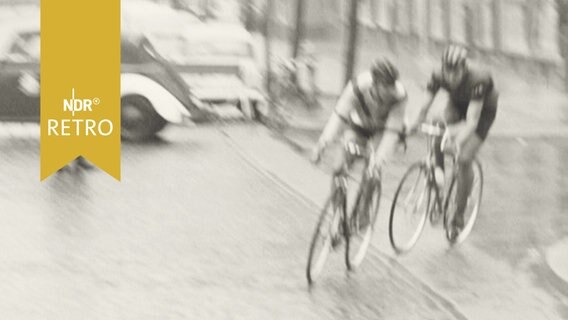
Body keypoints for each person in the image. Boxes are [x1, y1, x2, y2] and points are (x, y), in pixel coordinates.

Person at [408, 45, 498, 239]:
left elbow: (472, 122)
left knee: (464, 158)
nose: (451, 77)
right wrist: (410, 128)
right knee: (436, 126)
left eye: (455, 73)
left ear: (463, 69)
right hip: (457, 104)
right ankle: (439, 179)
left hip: (482, 113)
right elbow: (423, 108)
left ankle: (457, 217)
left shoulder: (478, 79)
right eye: (447, 73)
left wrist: (457, 140)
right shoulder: (438, 75)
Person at [311, 58, 408, 196]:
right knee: (339, 167)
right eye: (385, 86)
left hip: (382, 130)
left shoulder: (399, 95)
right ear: (375, 84)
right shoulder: (358, 86)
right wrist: (322, 144)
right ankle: (338, 214)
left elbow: (391, 132)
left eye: (392, 85)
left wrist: (379, 158)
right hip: (359, 125)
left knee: (372, 172)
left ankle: (363, 211)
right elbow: (339, 116)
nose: (390, 90)